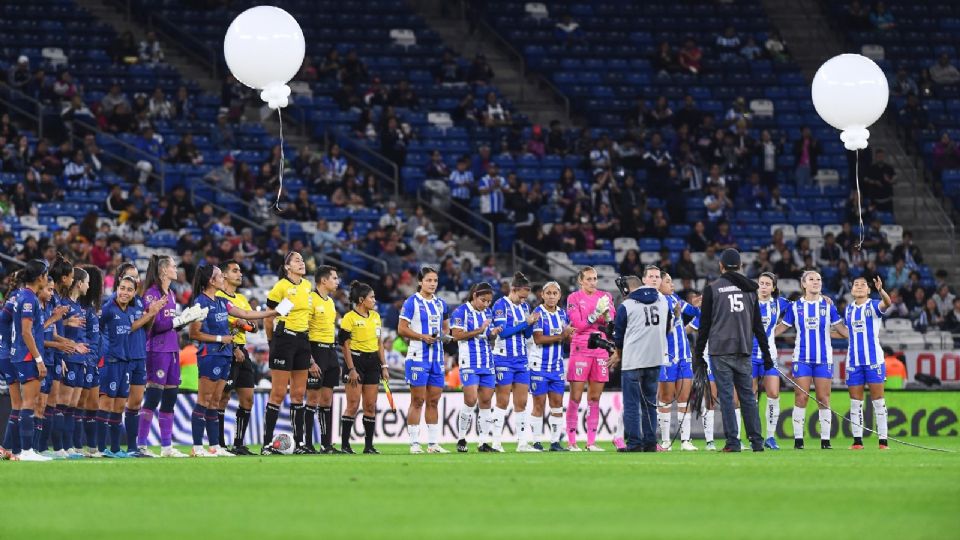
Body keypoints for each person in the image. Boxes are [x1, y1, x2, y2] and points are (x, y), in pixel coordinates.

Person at [190, 265, 277, 457]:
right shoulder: (200, 303)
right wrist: (221, 339)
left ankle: (215, 446)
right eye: (220, 276)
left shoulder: (222, 301)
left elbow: (245, 314)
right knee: (204, 400)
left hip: (224, 355)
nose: (223, 278)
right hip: (209, 355)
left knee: (214, 402)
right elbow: (194, 333)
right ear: (211, 281)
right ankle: (197, 447)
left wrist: (271, 313)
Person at [693, 249, 774, 453]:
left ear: (721, 266)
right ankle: (757, 442)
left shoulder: (713, 289)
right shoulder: (750, 289)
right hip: (744, 349)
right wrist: (767, 354)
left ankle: (733, 442)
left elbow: (704, 326)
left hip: (720, 350)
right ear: (740, 266)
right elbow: (758, 327)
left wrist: (698, 354)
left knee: (727, 397)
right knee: (748, 397)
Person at [775, 270, 848, 450]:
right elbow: (781, 328)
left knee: (823, 398)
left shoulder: (828, 306)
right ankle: (798, 441)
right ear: (804, 284)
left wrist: (860, 336)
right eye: (811, 279)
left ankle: (825, 441)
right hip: (802, 359)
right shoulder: (795, 306)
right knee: (801, 398)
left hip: (824, 359)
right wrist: (761, 336)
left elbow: (841, 329)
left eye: (818, 279)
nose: (816, 282)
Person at [138, 255, 194, 458]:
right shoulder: (152, 295)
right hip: (157, 350)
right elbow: (156, 326)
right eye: (173, 266)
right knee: (153, 397)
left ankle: (166, 447)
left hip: (172, 350)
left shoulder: (171, 293)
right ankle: (141, 445)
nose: (176, 269)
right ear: (163, 270)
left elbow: (170, 325)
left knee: (170, 398)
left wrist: (186, 320)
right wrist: (180, 320)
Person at [612, 270, 670, 453]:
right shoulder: (663, 301)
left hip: (633, 361)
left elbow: (618, 337)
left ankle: (635, 443)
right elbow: (666, 328)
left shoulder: (626, 305)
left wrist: (618, 353)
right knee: (650, 404)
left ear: (629, 288)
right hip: (655, 359)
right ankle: (650, 443)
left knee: (631, 404)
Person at [261, 251, 313, 455]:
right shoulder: (281, 287)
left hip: (303, 339)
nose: (302, 262)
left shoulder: (307, 286)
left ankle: (299, 443)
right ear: (287, 267)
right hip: (284, 339)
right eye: (297, 260)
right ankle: (266, 443)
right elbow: (268, 318)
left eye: (302, 259)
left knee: (299, 394)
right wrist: (271, 342)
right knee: (278, 392)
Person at [398, 266, 450, 454]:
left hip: (437, 358)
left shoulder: (441, 304)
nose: (432, 284)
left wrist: (445, 336)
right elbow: (402, 329)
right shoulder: (411, 302)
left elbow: (445, 328)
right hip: (418, 356)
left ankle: (433, 444)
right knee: (418, 400)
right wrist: (422, 337)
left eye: (435, 280)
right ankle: (414, 444)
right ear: (420, 282)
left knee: (434, 401)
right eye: (428, 280)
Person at [565, 267, 616, 451]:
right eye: (588, 279)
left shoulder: (605, 296)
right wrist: (596, 314)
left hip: (600, 349)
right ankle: (571, 442)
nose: (593, 282)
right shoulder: (574, 298)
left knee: (594, 397)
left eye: (595, 279)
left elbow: (610, 323)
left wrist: (608, 314)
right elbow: (578, 325)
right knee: (576, 396)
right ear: (581, 281)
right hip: (580, 348)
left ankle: (591, 443)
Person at [490, 272, 539, 452]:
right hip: (503, 357)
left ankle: (522, 443)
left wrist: (531, 323)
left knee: (522, 403)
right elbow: (503, 332)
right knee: (502, 401)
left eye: (526, 297)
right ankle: (496, 442)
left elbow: (526, 334)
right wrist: (525, 323)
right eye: (521, 296)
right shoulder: (500, 305)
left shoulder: (524, 307)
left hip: (521, 359)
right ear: (513, 290)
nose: (523, 300)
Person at [450, 282, 501, 452]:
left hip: (487, 362)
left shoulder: (487, 313)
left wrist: (493, 333)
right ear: (474, 296)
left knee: (486, 401)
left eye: (489, 301)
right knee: (470, 400)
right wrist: (479, 330)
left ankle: (483, 442)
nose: (486, 304)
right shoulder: (460, 312)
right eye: (483, 300)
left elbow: (487, 335)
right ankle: (462, 438)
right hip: (469, 362)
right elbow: (456, 336)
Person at [10, 261, 52, 461]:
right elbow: (27, 332)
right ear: (40, 278)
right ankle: (27, 450)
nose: (47, 278)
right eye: (45, 274)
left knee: (27, 403)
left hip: (21, 354)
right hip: (27, 356)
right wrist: (39, 359)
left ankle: (21, 450)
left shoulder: (22, 296)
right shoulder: (29, 298)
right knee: (29, 402)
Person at [338, 281, 387, 455]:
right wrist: (351, 369)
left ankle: (369, 446)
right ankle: (345, 445)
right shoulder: (349, 318)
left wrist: (384, 365)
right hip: (356, 362)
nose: (374, 300)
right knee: (352, 404)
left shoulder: (376, 317)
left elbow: (379, 343)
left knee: (370, 405)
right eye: (371, 297)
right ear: (361, 299)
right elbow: (345, 345)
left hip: (373, 363)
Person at [844, 276, 891, 450]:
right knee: (855, 402)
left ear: (869, 290)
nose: (859, 287)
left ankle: (883, 441)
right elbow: (847, 332)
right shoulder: (848, 309)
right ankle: (857, 441)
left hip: (873, 360)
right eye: (856, 284)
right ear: (851, 290)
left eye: (863, 284)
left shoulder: (873, 304)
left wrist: (881, 290)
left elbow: (888, 303)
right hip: (853, 361)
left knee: (878, 400)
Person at [217, 260, 258, 456]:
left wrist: (244, 324)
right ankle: (219, 444)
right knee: (223, 397)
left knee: (247, 398)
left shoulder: (241, 298)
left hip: (243, 349)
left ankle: (239, 444)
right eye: (235, 271)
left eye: (240, 270)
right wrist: (233, 348)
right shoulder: (218, 297)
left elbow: (254, 326)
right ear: (224, 275)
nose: (239, 274)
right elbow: (217, 327)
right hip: (226, 349)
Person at [657, 271, 700, 451]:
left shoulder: (676, 299)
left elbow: (695, 312)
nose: (672, 285)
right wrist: (675, 317)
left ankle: (685, 440)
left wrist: (698, 306)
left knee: (684, 399)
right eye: (668, 282)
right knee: (666, 398)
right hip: (667, 356)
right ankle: (666, 440)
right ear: (658, 284)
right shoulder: (656, 302)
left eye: (672, 281)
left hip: (684, 355)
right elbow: (661, 331)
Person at [529, 281, 574, 452]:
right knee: (539, 404)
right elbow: (538, 339)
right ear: (542, 295)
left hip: (556, 367)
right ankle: (537, 441)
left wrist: (569, 336)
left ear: (559, 296)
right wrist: (562, 335)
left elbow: (567, 339)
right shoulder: (538, 313)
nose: (551, 296)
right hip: (539, 365)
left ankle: (555, 442)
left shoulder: (563, 315)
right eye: (548, 293)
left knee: (557, 404)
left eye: (555, 293)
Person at [303, 265, 341, 454]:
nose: (337, 281)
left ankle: (326, 444)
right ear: (323, 281)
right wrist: (310, 360)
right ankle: (307, 443)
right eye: (334, 278)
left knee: (327, 399)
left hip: (330, 351)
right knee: (312, 398)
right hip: (315, 350)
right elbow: (303, 331)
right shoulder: (310, 299)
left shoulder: (331, 302)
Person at [753, 272, 791, 450]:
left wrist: (822, 297)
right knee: (750, 397)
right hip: (750, 356)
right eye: (761, 283)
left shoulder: (779, 303)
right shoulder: (748, 302)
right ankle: (752, 436)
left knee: (774, 394)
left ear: (773, 287)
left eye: (768, 284)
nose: (764, 286)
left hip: (769, 356)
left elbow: (800, 305)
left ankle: (770, 436)